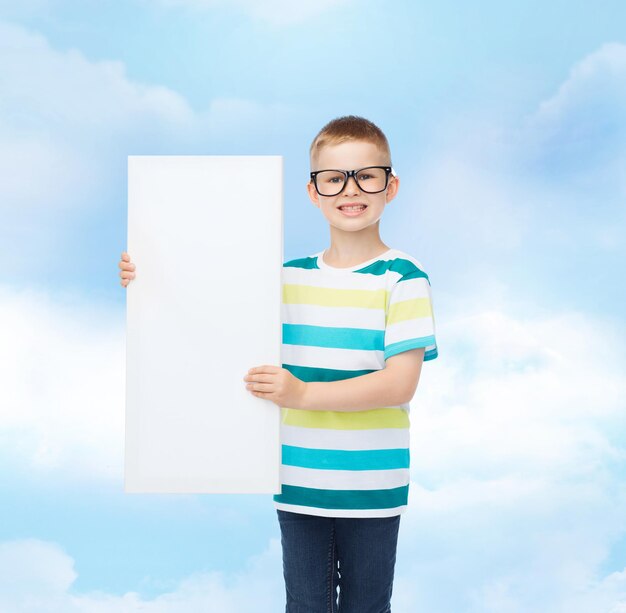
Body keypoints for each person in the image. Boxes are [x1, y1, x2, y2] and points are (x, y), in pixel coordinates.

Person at [118, 114, 438, 612]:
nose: (350, 191)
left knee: (367, 606)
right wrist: (148, 277)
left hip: (372, 485)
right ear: (313, 192)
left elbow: (400, 384)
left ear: (390, 186)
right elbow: (209, 306)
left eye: (366, 176)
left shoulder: (403, 279)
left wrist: (304, 394)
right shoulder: (284, 278)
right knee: (305, 606)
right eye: (334, 179)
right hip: (297, 482)